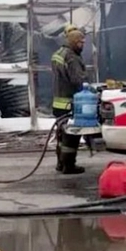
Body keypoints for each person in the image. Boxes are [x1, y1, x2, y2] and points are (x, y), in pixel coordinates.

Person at [51, 25, 87, 174]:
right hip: (69, 102)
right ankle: (69, 165)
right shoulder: (72, 57)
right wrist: (88, 87)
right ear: (73, 41)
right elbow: (77, 80)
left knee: (62, 135)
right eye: (80, 42)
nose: (82, 45)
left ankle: (60, 163)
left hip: (58, 102)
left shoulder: (59, 53)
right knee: (71, 136)